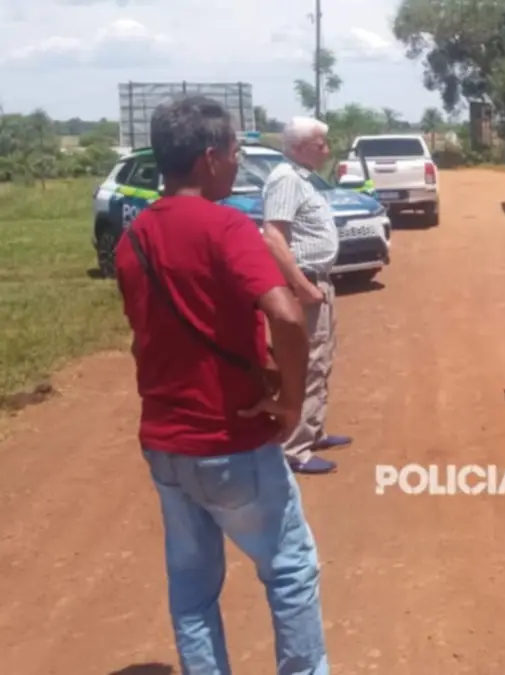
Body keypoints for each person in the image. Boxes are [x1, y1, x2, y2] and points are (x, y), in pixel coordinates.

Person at [114, 96, 330, 673]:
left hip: (165, 442)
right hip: (231, 439)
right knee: (289, 569)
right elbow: (287, 317)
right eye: (235, 152)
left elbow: (148, 335)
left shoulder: (133, 239)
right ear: (209, 158)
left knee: (191, 586)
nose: (237, 163)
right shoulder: (226, 225)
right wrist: (290, 400)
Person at [261, 116, 350, 474]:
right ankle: (294, 448)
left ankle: (312, 431)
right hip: (306, 286)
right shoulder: (286, 179)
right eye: (320, 144)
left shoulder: (302, 179)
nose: (327, 150)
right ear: (299, 148)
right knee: (305, 362)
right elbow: (273, 237)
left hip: (318, 283)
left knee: (320, 359)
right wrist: (301, 285)